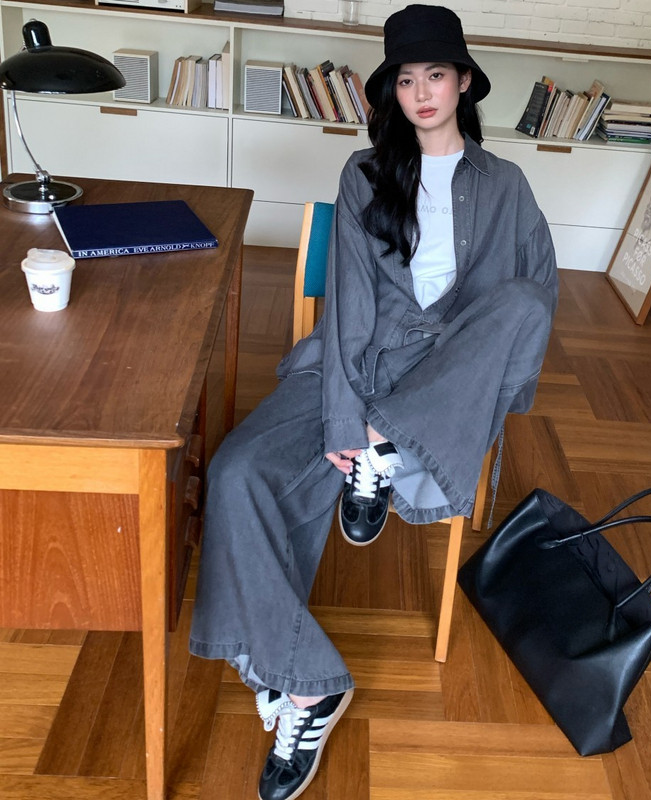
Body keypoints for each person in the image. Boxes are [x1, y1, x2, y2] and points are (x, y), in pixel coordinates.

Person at [189, 5, 558, 800]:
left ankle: (391, 447)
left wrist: (480, 402)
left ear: (464, 84)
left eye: (436, 75)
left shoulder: (506, 185)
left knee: (524, 301)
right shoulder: (363, 174)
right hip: (356, 361)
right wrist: (342, 416)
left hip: (447, 375)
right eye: (406, 79)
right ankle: (307, 684)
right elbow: (349, 306)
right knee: (236, 472)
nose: (421, 92)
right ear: (391, 92)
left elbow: (535, 302)